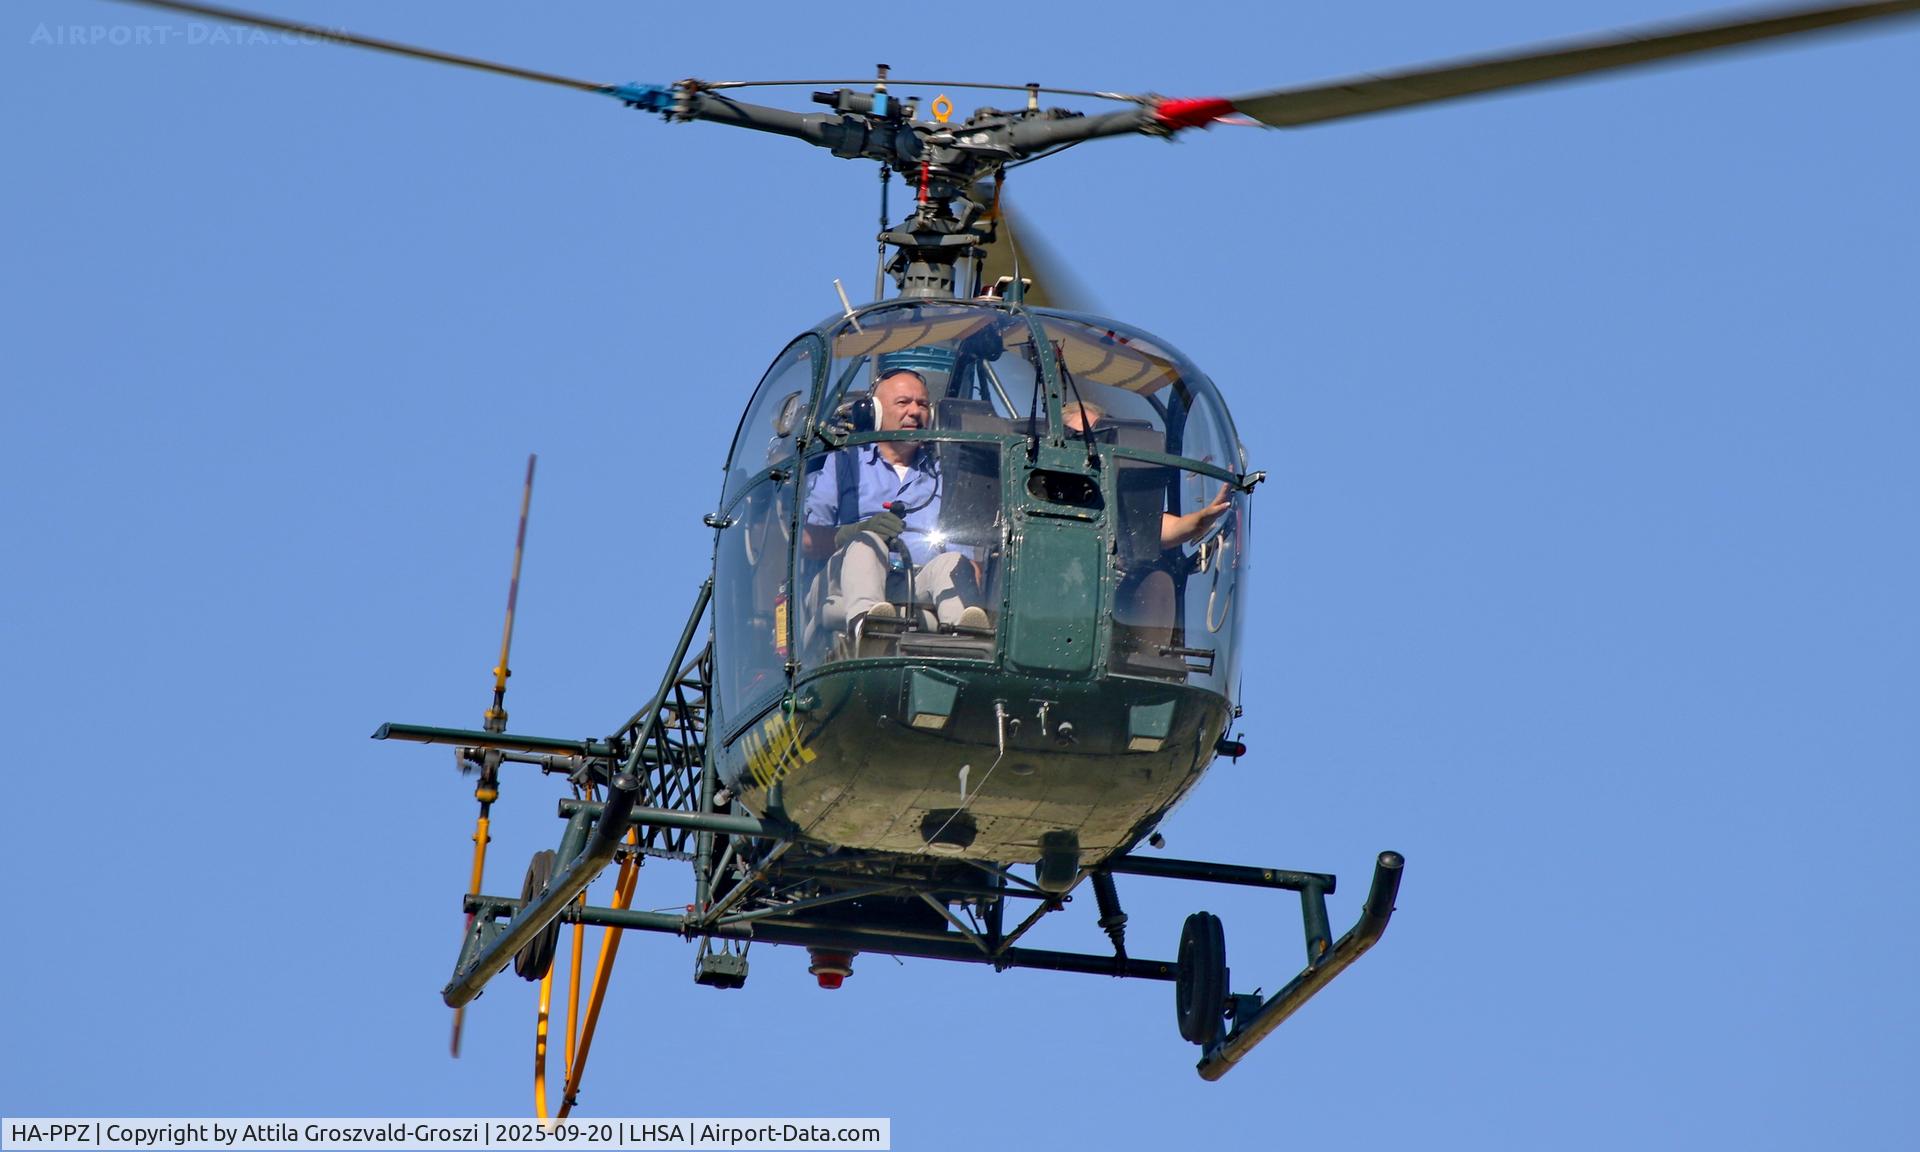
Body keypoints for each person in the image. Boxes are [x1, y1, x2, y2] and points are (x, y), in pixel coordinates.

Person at [803, 368, 992, 637]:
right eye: (903, 403)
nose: (915, 412)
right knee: (866, 545)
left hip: (916, 585)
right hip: (843, 585)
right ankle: (868, 632)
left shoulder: (944, 474)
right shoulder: (844, 462)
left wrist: (969, 570)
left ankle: (966, 638)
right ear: (875, 413)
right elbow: (806, 541)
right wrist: (853, 532)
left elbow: (968, 558)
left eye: (923, 404)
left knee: (951, 562)